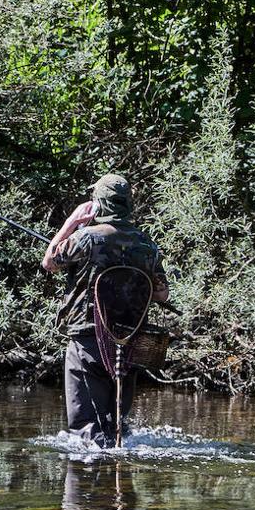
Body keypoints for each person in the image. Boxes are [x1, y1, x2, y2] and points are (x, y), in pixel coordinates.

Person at [42, 174, 169, 445]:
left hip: (88, 341)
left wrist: (72, 223)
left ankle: (88, 483)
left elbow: (49, 262)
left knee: (85, 433)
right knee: (116, 429)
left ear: (99, 204)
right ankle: (117, 479)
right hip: (129, 341)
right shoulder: (147, 245)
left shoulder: (85, 238)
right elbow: (161, 293)